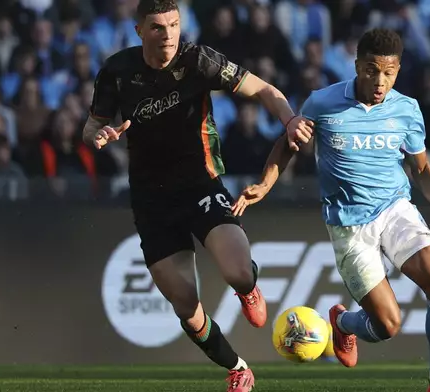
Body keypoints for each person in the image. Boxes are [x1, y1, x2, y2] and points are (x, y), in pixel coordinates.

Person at [82, 1, 312, 391]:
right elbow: (91, 127)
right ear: (139, 31)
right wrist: (99, 137)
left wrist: (289, 120)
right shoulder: (117, 72)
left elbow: (265, 90)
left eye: (173, 24)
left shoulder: (199, 60)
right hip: (151, 200)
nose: (168, 34)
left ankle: (248, 287)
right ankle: (238, 367)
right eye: (157, 27)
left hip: (200, 184)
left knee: (237, 271)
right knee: (187, 309)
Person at [233, 28, 430, 392]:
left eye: (389, 73)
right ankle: (344, 325)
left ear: (398, 70)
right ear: (358, 66)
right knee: (387, 326)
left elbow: (421, 169)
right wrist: (266, 184)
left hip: (395, 208)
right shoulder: (323, 103)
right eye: (372, 70)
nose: (380, 81)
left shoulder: (406, 109)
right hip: (349, 225)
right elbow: (289, 142)